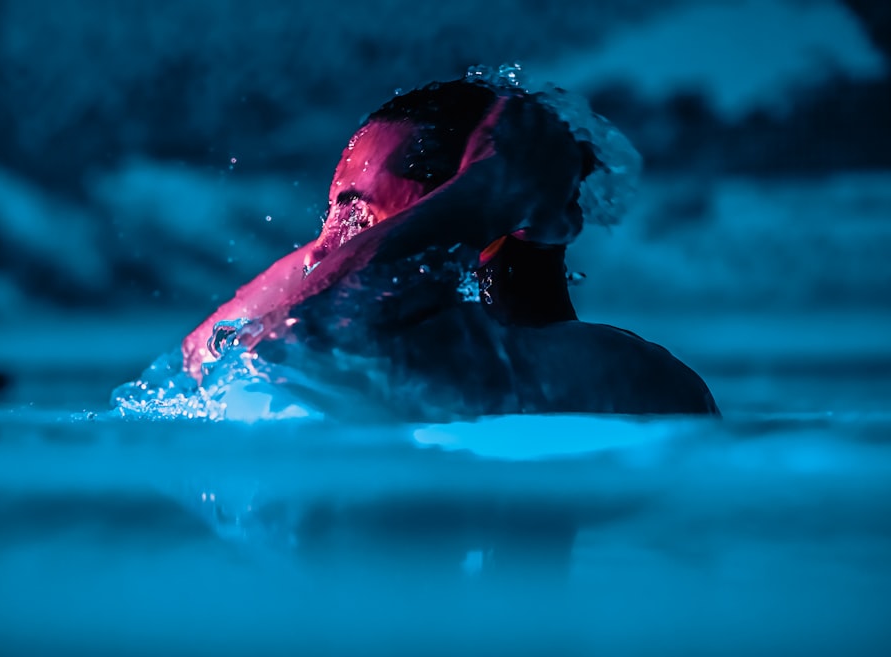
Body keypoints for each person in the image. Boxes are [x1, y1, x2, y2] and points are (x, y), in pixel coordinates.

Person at [181, 78, 719, 419]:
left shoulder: (609, 374)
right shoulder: (410, 363)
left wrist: (490, 191)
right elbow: (203, 355)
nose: (323, 254)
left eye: (357, 216)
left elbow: (298, 342)